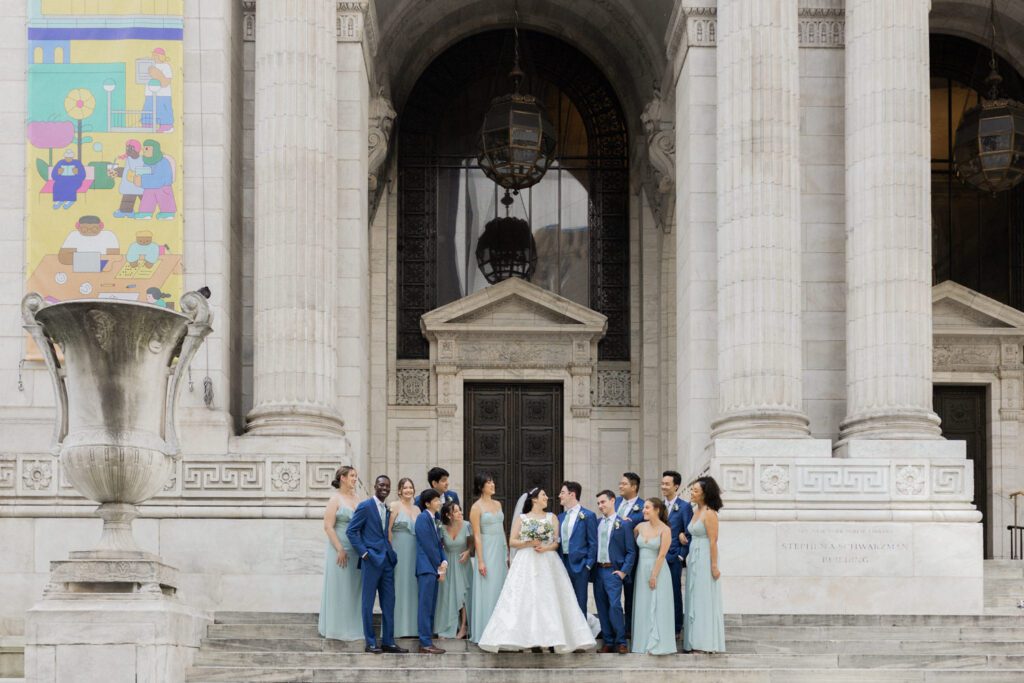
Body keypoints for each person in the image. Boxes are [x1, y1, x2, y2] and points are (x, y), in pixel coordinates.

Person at [477, 488, 597, 653]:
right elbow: (512, 541)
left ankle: (554, 639)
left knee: (549, 599)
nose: (547, 497)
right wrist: (529, 543)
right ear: (534, 499)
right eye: (543, 495)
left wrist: (546, 547)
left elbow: (556, 543)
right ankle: (530, 639)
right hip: (526, 561)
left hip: (548, 561)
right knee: (527, 599)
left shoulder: (553, 517)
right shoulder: (522, 518)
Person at [346, 475, 408, 654]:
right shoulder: (365, 506)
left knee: (389, 602)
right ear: (374, 486)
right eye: (381, 485)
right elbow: (352, 531)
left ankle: (388, 641)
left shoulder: (387, 508)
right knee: (368, 602)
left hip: (387, 560)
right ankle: (371, 642)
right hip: (371, 560)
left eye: (387, 486)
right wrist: (364, 553)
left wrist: (391, 553)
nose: (384, 488)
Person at [318, 465, 363, 641]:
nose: (354, 478)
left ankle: (353, 626)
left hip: (356, 550)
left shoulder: (358, 499)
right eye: (352, 475)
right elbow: (328, 526)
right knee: (339, 587)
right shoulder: (335, 500)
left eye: (356, 475)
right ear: (342, 478)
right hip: (339, 549)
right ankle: (337, 628)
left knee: (353, 588)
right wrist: (339, 549)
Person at [683, 475, 726, 654]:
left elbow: (713, 541)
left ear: (704, 494)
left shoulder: (709, 513)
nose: (691, 493)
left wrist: (714, 566)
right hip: (694, 555)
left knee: (704, 598)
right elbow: (693, 532)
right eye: (691, 490)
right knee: (693, 596)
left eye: (695, 490)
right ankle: (694, 640)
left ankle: (705, 642)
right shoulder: (695, 511)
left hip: (705, 558)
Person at [592, 489, 636, 654]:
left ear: (612, 501)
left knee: (615, 605)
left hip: (613, 571)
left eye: (603, 502)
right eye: (598, 503)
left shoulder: (624, 524)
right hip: (598, 570)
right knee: (602, 606)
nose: (600, 506)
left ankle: (621, 640)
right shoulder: (596, 523)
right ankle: (608, 641)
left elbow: (631, 551)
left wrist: (623, 572)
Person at [631, 498, 675, 655]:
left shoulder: (665, 530)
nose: (644, 510)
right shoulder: (639, 527)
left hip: (658, 571)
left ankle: (658, 644)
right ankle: (642, 644)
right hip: (641, 570)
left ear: (657, 510)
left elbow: (662, 555)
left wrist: (654, 576)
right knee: (643, 605)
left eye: (647, 507)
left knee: (658, 606)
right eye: (643, 508)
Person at [468, 472, 506, 642]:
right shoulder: (476, 507)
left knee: (500, 588)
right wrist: (480, 560)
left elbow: (503, 529)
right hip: (486, 550)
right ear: (481, 486)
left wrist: (507, 553)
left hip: (499, 549)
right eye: (489, 482)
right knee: (488, 588)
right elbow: (476, 535)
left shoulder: (498, 504)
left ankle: (501, 631)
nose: (492, 485)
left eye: (493, 481)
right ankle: (485, 630)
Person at [414, 489, 448, 654]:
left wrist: (445, 560)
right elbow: (428, 545)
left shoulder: (436, 519)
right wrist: (439, 565)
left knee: (431, 605)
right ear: (427, 503)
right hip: (426, 567)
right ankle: (424, 642)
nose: (439, 502)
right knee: (425, 605)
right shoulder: (422, 518)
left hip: (434, 567)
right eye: (435, 500)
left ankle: (428, 640)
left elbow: (439, 543)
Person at [556, 480, 597, 615]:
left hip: (581, 566)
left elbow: (593, 542)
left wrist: (588, 565)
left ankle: (581, 634)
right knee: (564, 601)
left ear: (572, 494)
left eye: (562, 492)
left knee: (580, 602)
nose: (559, 496)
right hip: (562, 564)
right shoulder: (560, 517)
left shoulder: (588, 516)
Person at [662, 469, 694, 637]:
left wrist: (681, 555)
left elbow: (689, 534)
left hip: (674, 557)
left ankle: (676, 627)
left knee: (674, 592)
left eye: (667, 484)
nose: (663, 486)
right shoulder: (658, 506)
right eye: (662, 483)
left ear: (676, 486)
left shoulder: (684, 507)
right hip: (658, 557)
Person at [434, 501, 472, 639]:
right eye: (456, 511)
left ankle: (463, 628)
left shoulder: (467, 525)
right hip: (448, 564)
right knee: (448, 596)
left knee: (463, 595)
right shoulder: (442, 528)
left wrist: (468, 552)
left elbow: (471, 544)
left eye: (460, 510)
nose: (460, 513)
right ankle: (447, 627)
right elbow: (439, 547)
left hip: (463, 563)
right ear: (448, 515)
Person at [387, 477, 420, 638]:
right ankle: (397, 629)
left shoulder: (417, 510)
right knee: (398, 586)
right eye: (405, 487)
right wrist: (390, 550)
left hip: (414, 552)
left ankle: (412, 628)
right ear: (399, 490)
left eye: (410, 487)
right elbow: (388, 530)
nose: (408, 490)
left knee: (412, 586)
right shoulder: (394, 506)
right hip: (398, 550)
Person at [615, 471, 644, 632]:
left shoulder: (643, 506)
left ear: (634, 487)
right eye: (620, 483)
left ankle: (630, 630)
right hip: (613, 557)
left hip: (633, 557)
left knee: (631, 596)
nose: (620, 486)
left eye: (624, 483)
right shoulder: (616, 502)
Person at [130, 139, 176, 220]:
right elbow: (145, 173)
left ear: (154, 150)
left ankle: (167, 213)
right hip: (150, 187)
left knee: (164, 197)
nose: (144, 150)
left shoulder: (163, 162)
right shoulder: (147, 162)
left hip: (163, 186)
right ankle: (145, 212)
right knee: (147, 195)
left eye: (147, 148)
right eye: (144, 148)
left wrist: (142, 180)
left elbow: (159, 178)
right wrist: (138, 179)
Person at [143, 47, 174, 132]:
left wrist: (157, 74)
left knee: (163, 109)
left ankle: (166, 126)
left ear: (160, 56)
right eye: (153, 55)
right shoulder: (150, 65)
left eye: (155, 55)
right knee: (148, 108)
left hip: (163, 94)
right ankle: (147, 124)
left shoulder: (166, 66)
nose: (153, 57)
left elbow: (166, 82)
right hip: (150, 93)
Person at [111, 139, 145, 217]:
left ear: (137, 150)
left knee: (145, 200)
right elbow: (127, 171)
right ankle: (126, 212)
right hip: (130, 186)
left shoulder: (142, 160)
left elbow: (136, 171)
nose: (128, 150)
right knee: (128, 200)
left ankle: (146, 212)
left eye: (131, 148)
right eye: (127, 148)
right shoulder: (128, 159)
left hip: (139, 185)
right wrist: (117, 172)